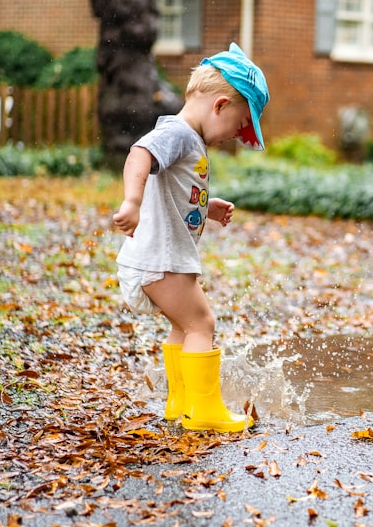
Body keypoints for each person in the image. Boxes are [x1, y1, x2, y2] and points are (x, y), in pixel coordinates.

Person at [112, 43, 268, 433]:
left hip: (161, 256)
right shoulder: (178, 132)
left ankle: (180, 403)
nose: (233, 135)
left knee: (183, 326)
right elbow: (139, 154)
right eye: (237, 125)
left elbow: (174, 187)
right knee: (202, 323)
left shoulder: (188, 139)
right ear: (219, 105)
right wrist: (131, 200)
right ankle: (204, 412)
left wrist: (205, 206)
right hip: (162, 256)